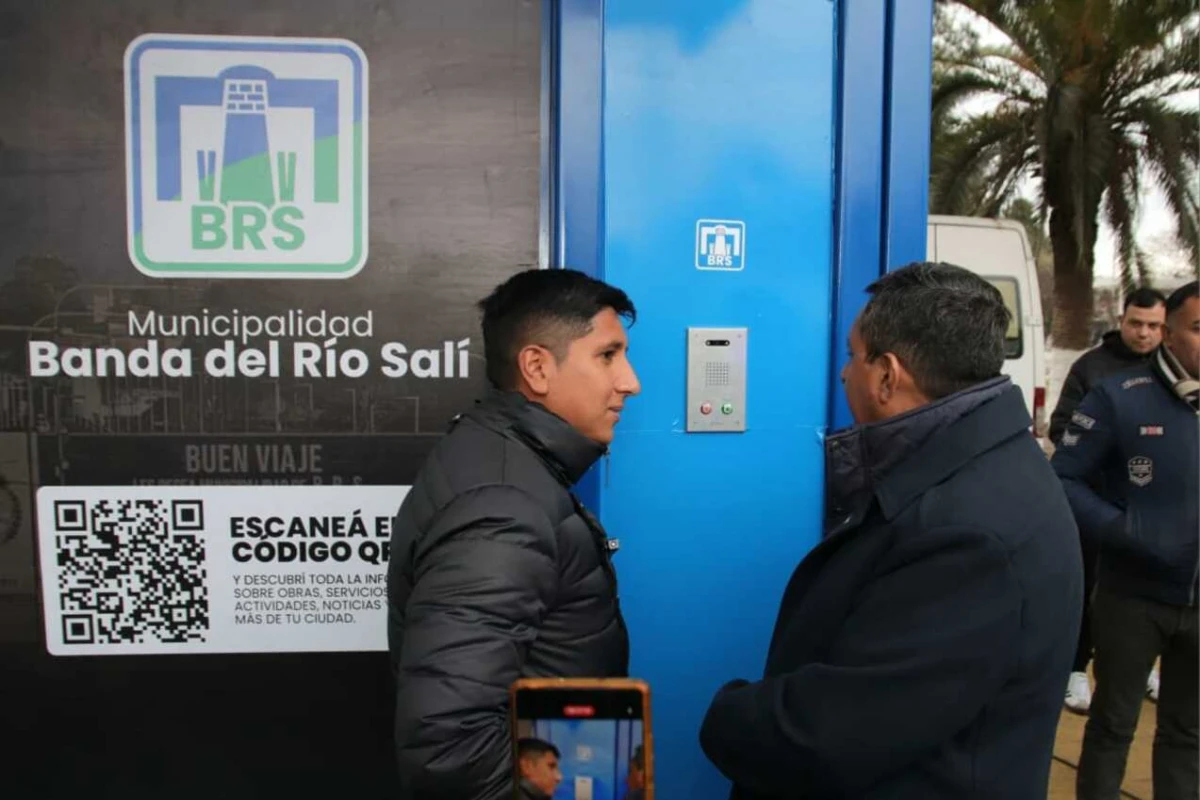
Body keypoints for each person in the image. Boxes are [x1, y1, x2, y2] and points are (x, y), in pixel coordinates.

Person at [698, 262, 1083, 799]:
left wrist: (727, 715)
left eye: (852, 356)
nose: (842, 374)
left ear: (887, 375)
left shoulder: (969, 533)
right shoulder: (985, 468)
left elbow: (837, 733)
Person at [387, 268, 642, 800]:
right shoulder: (506, 506)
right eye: (607, 356)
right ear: (537, 367)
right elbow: (449, 748)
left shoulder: (512, 469)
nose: (630, 381)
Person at [1052, 280, 1199, 800]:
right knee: (1113, 727)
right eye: (1199, 328)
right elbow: (1063, 479)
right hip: (1131, 598)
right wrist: (1121, 529)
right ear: (1171, 335)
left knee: (1187, 733)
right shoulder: (1118, 398)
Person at [1049, 286, 1168, 712]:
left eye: (1154, 326)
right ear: (1122, 321)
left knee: (1143, 594)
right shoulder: (1092, 367)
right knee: (1088, 588)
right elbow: (1061, 427)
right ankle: (1075, 669)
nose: (1144, 333)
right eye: (1136, 323)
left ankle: (1143, 668)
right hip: (1096, 503)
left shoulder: (1173, 370)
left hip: (1151, 509)